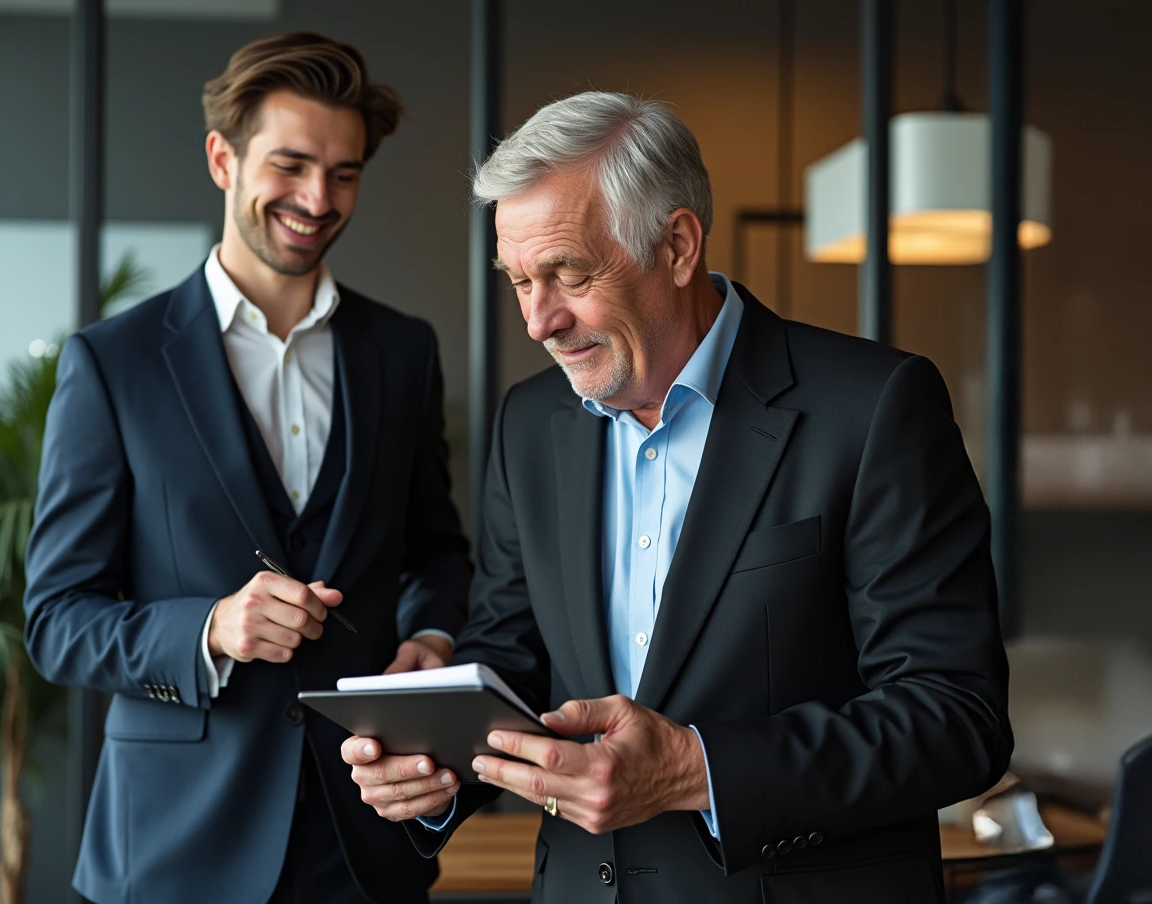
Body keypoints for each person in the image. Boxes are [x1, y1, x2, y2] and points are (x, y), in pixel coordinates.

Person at [342, 91, 1012, 903]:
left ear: (678, 245)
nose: (538, 321)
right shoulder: (531, 423)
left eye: (567, 273)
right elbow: (514, 653)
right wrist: (436, 765)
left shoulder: (874, 408)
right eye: (519, 281)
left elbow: (955, 717)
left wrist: (695, 770)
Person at [24, 32, 471, 904]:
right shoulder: (113, 364)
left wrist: (432, 640)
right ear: (222, 159)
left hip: (362, 844)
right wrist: (210, 630)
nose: (317, 198)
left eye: (344, 173)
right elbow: (56, 619)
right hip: (172, 846)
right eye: (292, 164)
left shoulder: (403, 352)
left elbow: (436, 550)